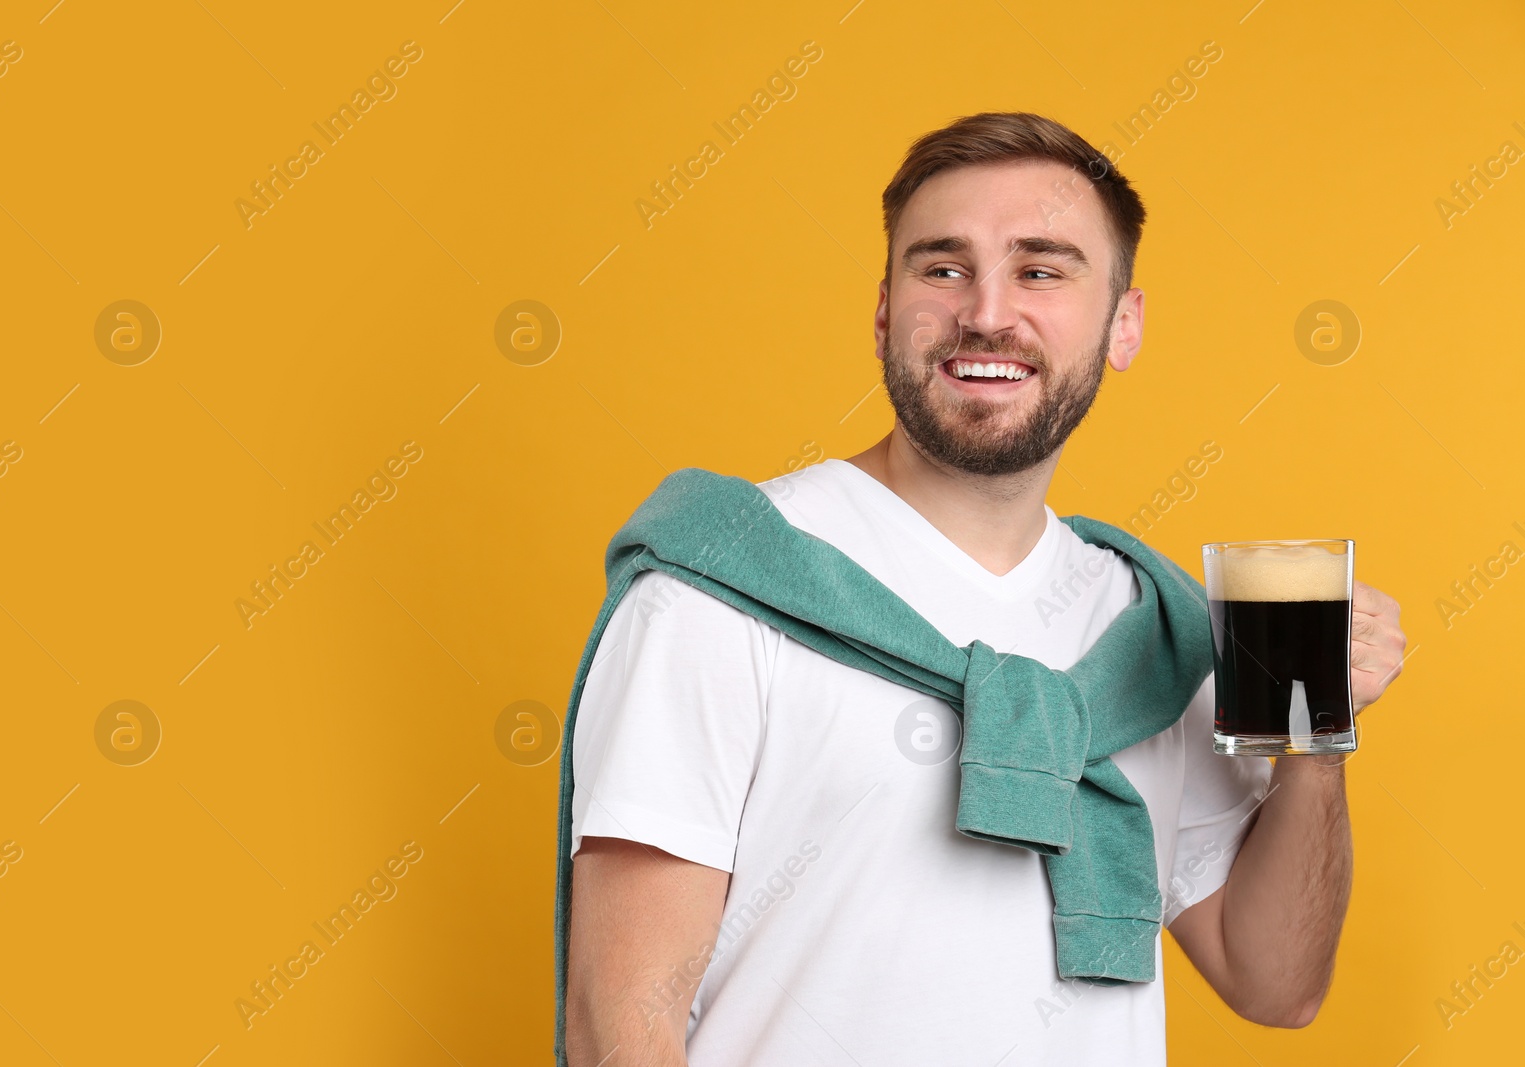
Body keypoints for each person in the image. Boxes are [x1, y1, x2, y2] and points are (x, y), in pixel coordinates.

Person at [562, 111, 1406, 1066]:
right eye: (943, 267)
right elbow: (616, 1026)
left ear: (1123, 325)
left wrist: (1314, 741)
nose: (989, 312)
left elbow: (1276, 982)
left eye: (1041, 269)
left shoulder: (1153, 633)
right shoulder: (718, 593)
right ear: (885, 310)